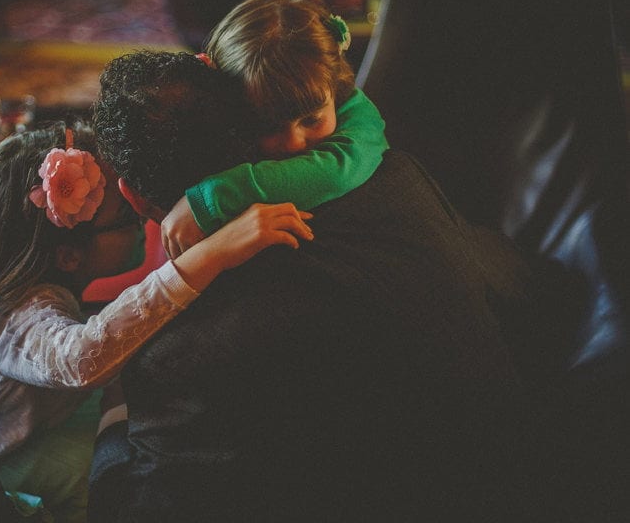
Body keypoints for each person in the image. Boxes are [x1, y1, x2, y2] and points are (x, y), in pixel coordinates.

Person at [89, 50, 549, 521]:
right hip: (527, 472)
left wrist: (110, 426)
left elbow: (141, 507)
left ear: (133, 196)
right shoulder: (395, 175)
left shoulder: (174, 357)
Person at [0, 121, 312, 522]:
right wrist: (208, 256)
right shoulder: (19, 312)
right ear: (69, 255)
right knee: (95, 474)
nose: (140, 215)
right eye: (126, 216)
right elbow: (81, 360)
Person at [160, 0, 388, 259]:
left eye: (312, 120)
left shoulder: (361, 116)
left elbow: (334, 171)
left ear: (335, 80)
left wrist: (210, 200)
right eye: (267, 126)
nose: (293, 143)